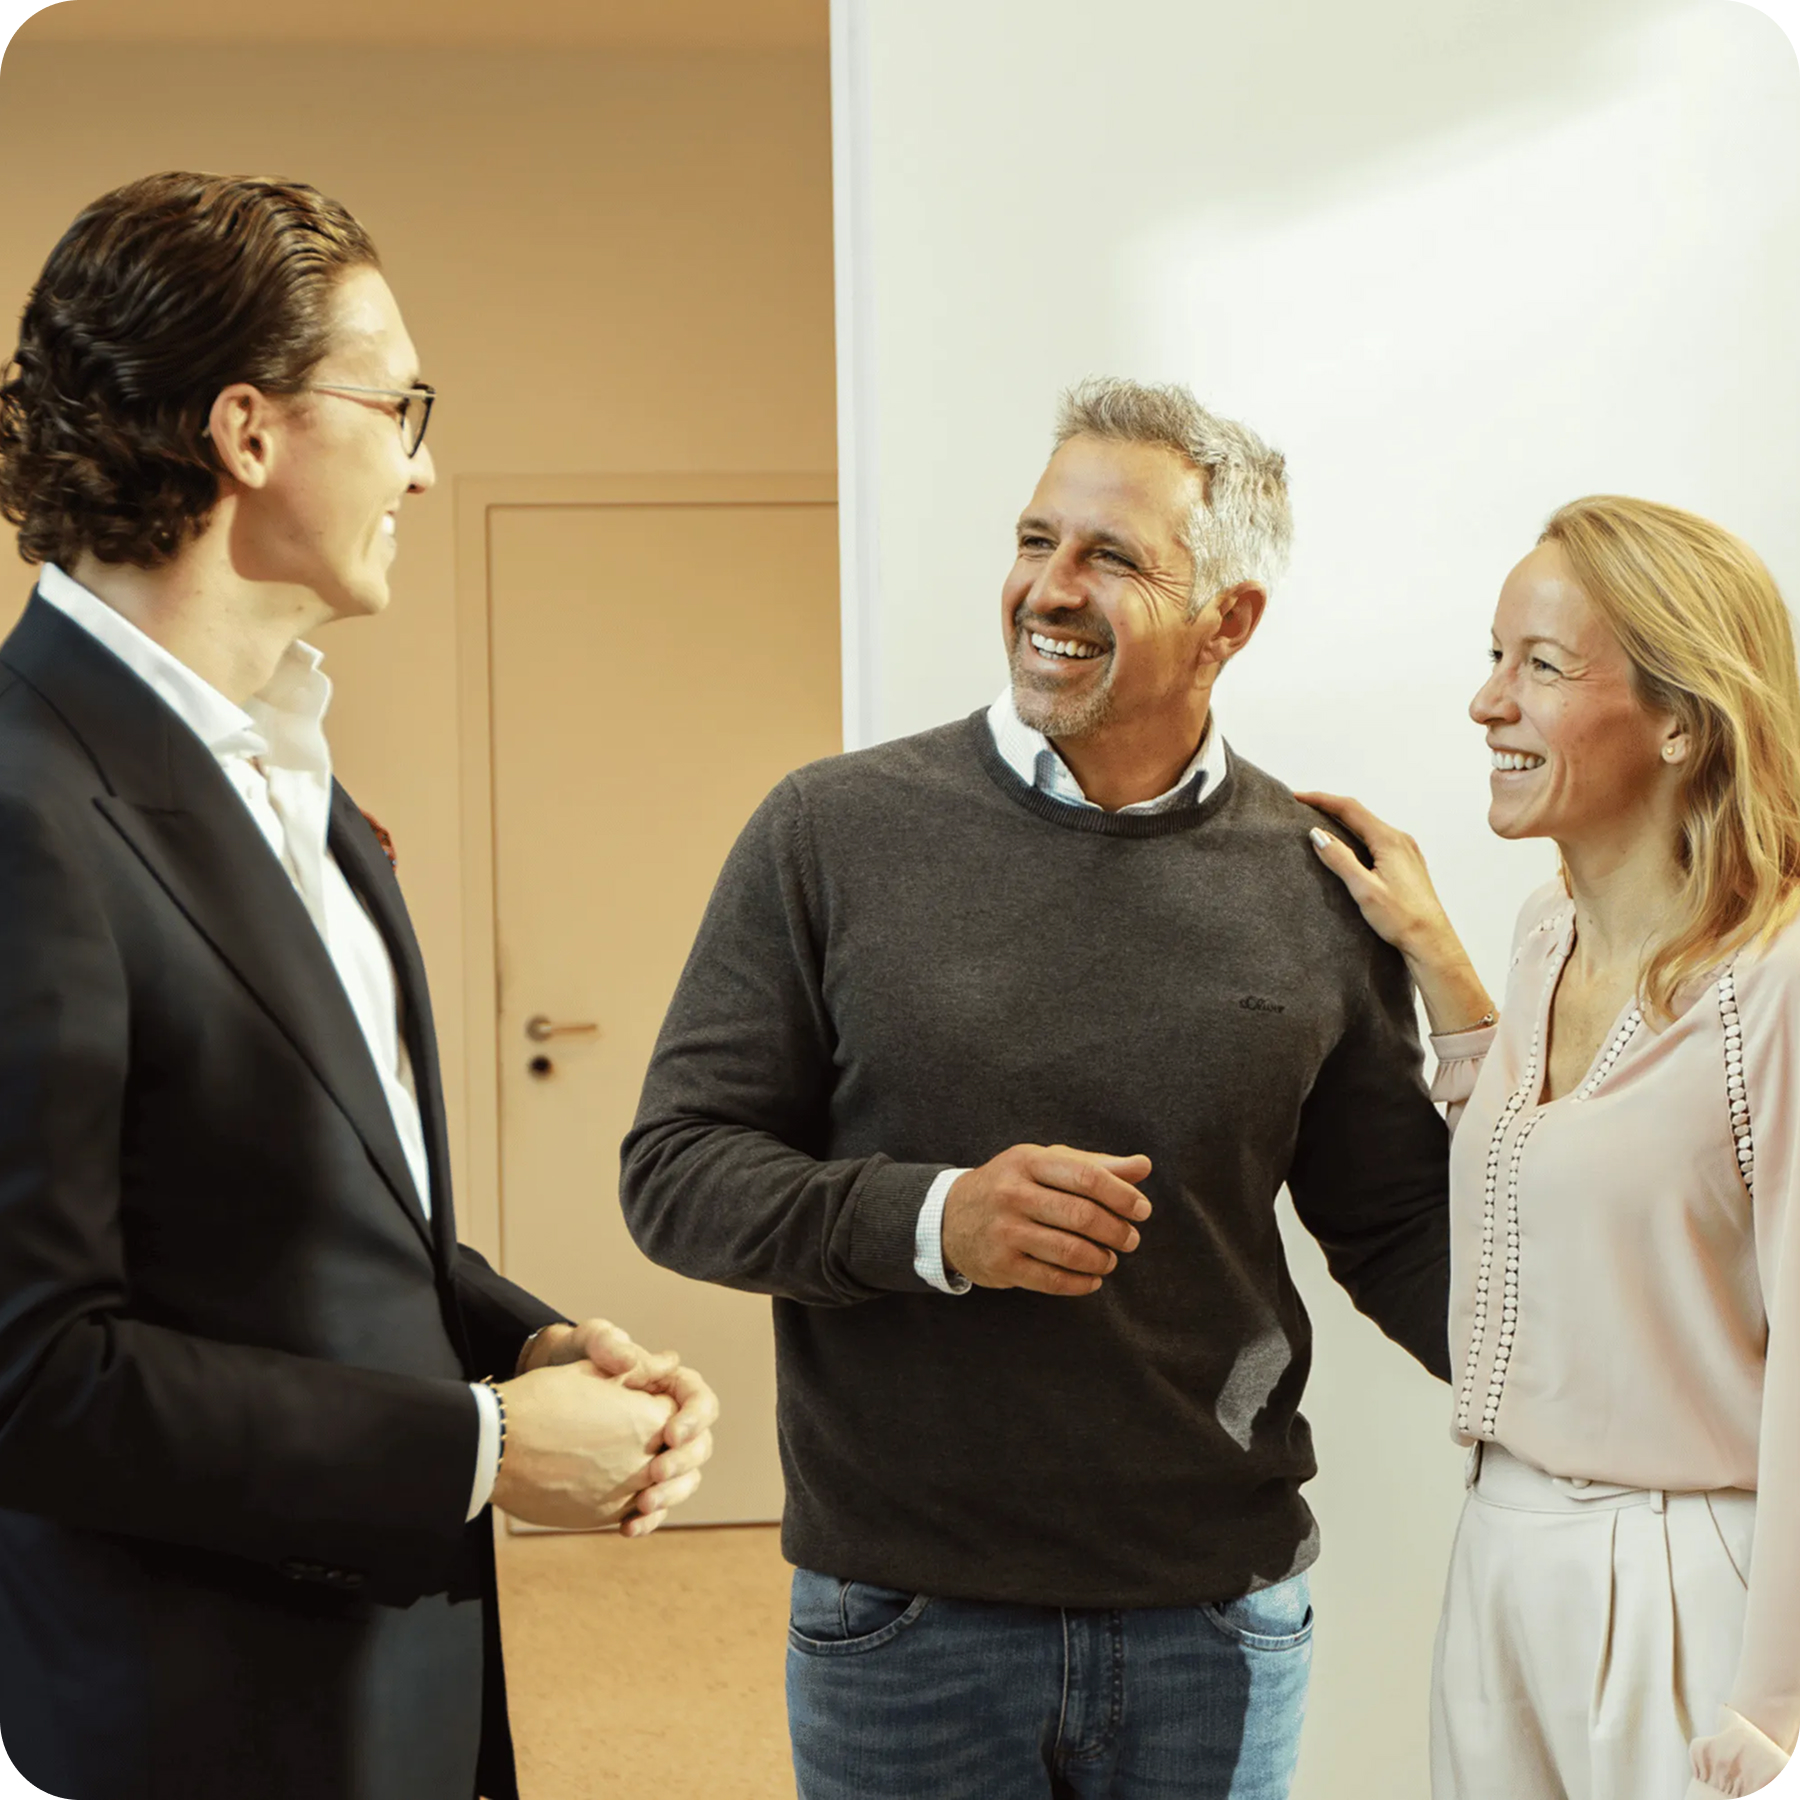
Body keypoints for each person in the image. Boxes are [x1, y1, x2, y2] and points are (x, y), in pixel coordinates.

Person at [620, 377, 1452, 1799]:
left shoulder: (1317, 882)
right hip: (908, 1619)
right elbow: (678, 1172)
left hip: (1218, 1621)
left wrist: (1592, 1408)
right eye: (1035, 539)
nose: (1047, 590)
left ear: (1230, 623)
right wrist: (935, 1222)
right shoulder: (829, 831)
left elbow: (1394, 1227)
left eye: (1112, 557)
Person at [0, 172, 717, 1800]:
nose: (425, 460)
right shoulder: (21, 804)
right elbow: (32, 1374)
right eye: (401, 404)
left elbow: (311, 1220)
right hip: (192, 1722)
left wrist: (528, 1353)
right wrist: (479, 1453)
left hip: (397, 1705)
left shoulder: (300, 783)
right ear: (247, 433)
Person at [1302, 495, 1800, 1800]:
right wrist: (1439, 961)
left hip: (1697, 1585)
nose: (1485, 702)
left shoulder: (1783, 980)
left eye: (1538, 665)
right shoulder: (1543, 933)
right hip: (1504, 1549)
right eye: (1491, 655)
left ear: (1682, 719)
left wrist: (1778, 1702)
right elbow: (1543, 1165)